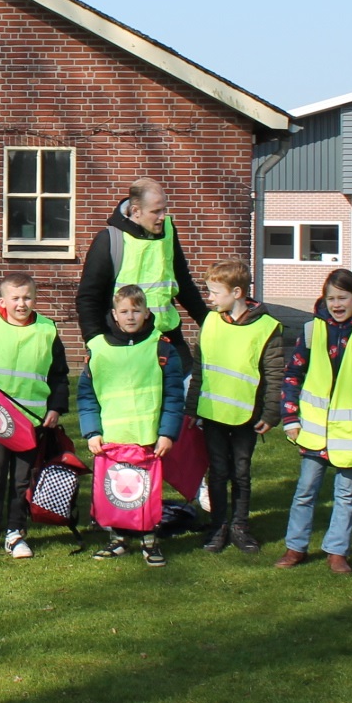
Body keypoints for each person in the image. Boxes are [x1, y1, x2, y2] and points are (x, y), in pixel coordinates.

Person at [276, 268, 352, 573]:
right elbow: (292, 375)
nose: (337, 304)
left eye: (343, 297)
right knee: (305, 491)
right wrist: (290, 416)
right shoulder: (311, 330)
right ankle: (295, 547)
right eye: (331, 298)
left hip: (351, 433)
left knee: (346, 495)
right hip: (313, 431)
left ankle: (337, 551)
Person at [0, 272, 69, 560]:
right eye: (16, 298)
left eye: (27, 297)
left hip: (31, 421)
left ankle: (16, 533)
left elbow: (59, 374)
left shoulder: (47, 330)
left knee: (22, 480)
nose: (22, 304)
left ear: (35, 298)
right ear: (3, 301)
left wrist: (56, 408)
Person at [78, 285, 186, 567]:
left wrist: (167, 433)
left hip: (146, 438)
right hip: (111, 440)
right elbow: (87, 394)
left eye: (136, 311)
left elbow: (174, 395)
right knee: (115, 492)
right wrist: (92, 431)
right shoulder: (98, 348)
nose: (130, 316)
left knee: (146, 493)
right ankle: (117, 540)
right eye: (124, 311)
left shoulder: (161, 347)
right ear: (114, 314)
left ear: (146, 312)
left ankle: (150, 541)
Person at [190, 259, 285, 554]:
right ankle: (218, 525)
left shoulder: (267, 327)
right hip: (213, 414)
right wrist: (191, 408)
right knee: (217, 472)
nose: (210, 298)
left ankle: (240, 526)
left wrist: (271, 413)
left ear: (237, 292)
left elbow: (274, 373)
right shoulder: (210, 323)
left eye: (215, 292)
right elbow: (199, 368)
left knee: (241, 471)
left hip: (247, 415)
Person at [73, 177, 207, 357]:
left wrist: (207, 322)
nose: (162, 217)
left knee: (185, 384)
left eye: (164, 210)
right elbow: (88, 297)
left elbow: (183, 282)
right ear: (135, 210)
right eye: (156, 211)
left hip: (167, 337)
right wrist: (95, 342)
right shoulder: (110, 240)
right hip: (124, 341)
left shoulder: (168, 230)